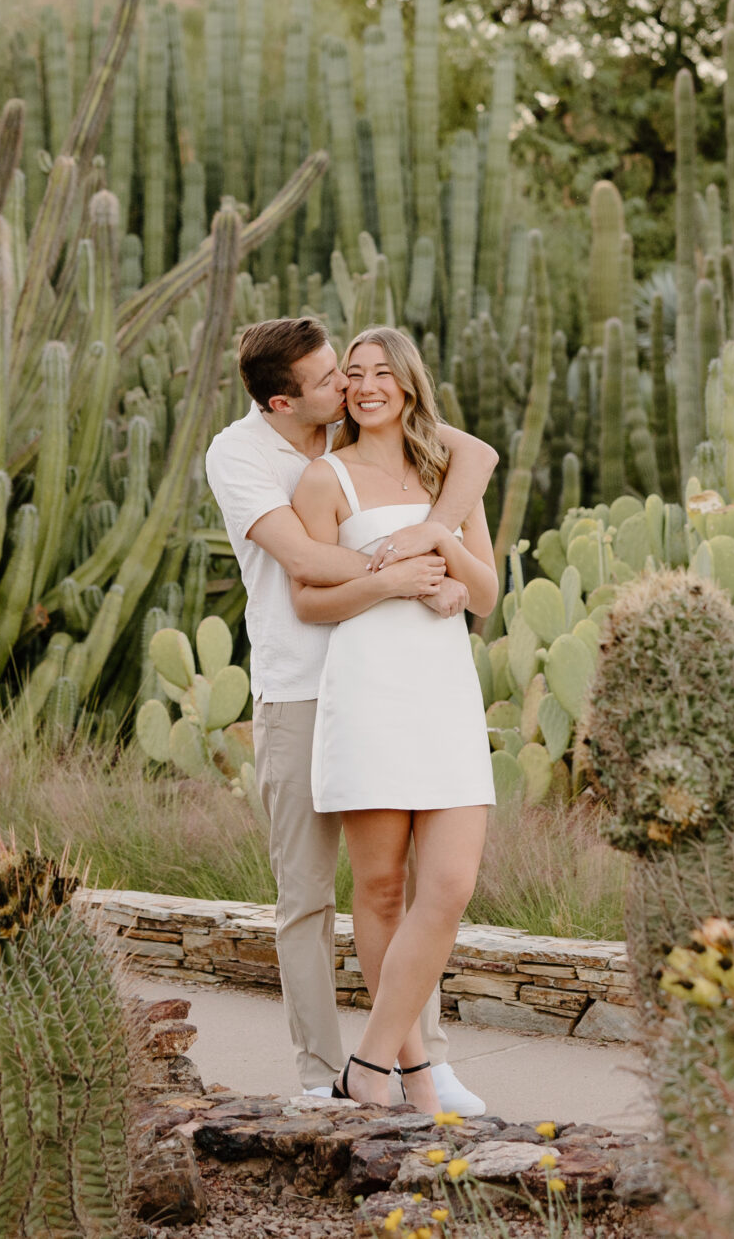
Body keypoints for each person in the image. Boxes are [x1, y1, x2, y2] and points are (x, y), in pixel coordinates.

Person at [204, 318, 497, 1115]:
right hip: (303, 686)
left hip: (399, 683)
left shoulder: (360, 425)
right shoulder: (242, 455)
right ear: (281, 399)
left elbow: (469, 451)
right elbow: (302, 563)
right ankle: (321, 1067)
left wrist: (436, 532)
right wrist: (407, 569)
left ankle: (419, 1063)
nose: (348, 386)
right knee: (311, 891)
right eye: (333, 377)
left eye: (355, 372)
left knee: (413, 888)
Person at [288, 326, 500, 1115]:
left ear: (409, 385)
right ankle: (406, 1074)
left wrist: (440, 535)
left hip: (443, 695)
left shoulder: (445, 476)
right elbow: (310, 598)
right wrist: (396, 580)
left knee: (446, 885)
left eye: (384, 372)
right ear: (343, 388)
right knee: (378, 891)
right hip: (369, 691)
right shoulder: (324, 477)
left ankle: (365, 1063)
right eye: (356, 372)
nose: (369, 384)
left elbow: (484, 594)